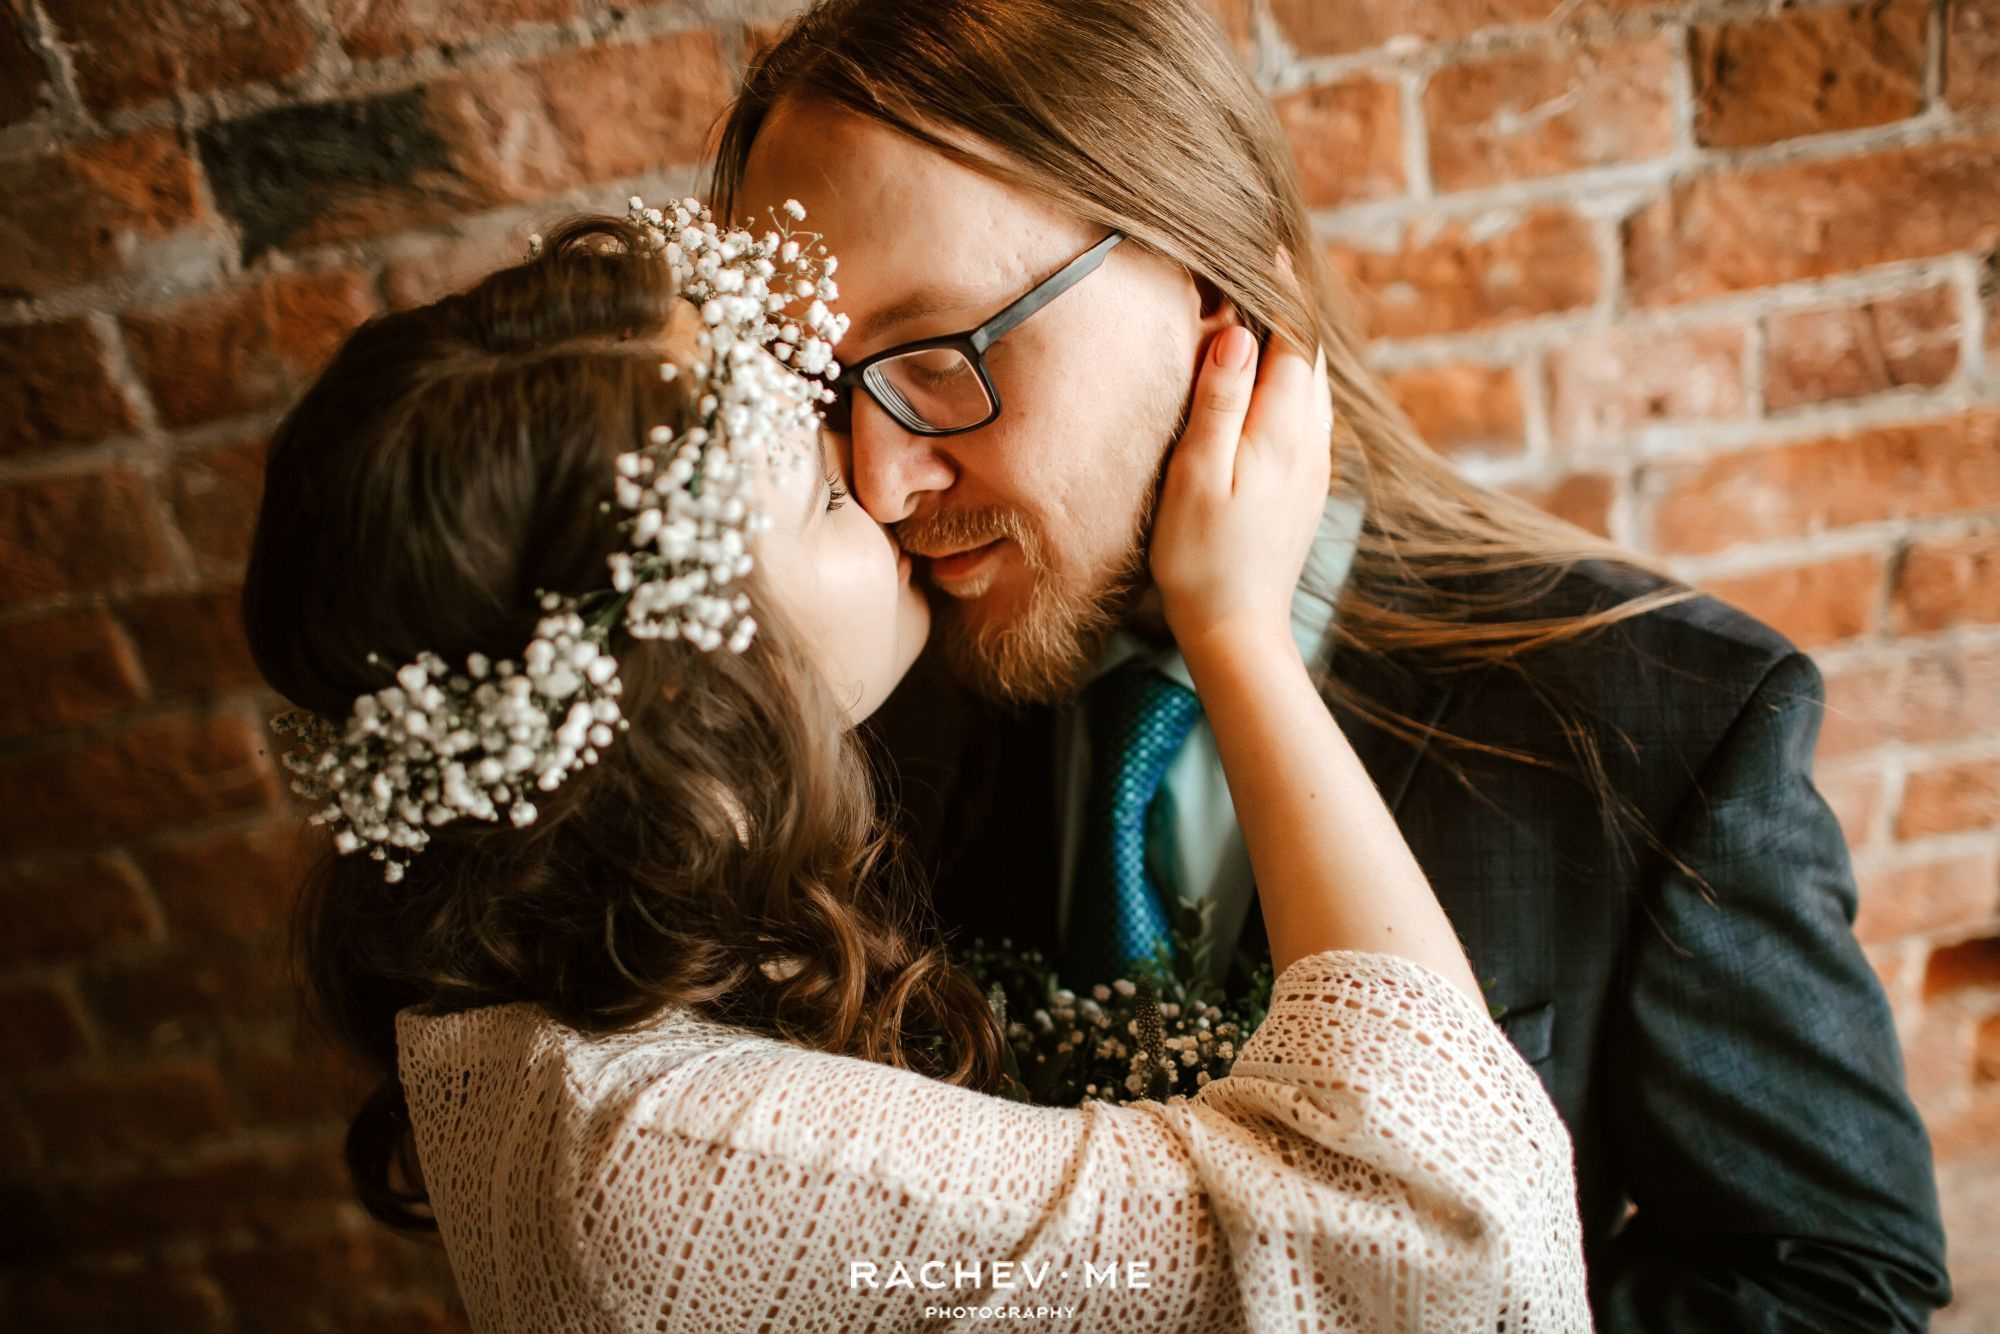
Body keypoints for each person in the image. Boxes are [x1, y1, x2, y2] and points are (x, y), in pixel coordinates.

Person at [708, 0, 1953, 1327]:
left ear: (1215, 284)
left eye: (944, 356)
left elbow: (1836, 1285)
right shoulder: (862, 695)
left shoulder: (1664, 724)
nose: (883, 481)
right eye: (821, 387)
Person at [240, 211, 1592, 1330]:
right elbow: (1439, 1251)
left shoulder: (543, 1008)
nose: (885, 481)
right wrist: (1237, 625)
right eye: (826, 492)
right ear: (684, 708)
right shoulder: (680, 1163)